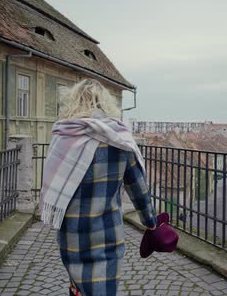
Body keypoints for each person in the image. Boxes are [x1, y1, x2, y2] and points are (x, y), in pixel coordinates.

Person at [39, 79, 157, 296]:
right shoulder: (119, 140)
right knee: (104, 288)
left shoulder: (64, 135)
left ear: (74, 101)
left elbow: (51, 181)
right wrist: (151, 223)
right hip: (106, 230)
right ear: (106, 103)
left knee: (79, 287)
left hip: (71, 231)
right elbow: (139, 189)